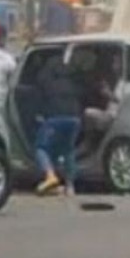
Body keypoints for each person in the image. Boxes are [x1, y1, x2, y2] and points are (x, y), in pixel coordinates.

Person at [34, 50, 82, 196]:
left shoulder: (44, 76)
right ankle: (70, 186)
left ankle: (50, 176)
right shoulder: (71, 74)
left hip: (54, 117)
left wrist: (39, 114)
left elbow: (38, 97)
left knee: (41, 148)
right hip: (74, 118)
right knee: (68, 150)